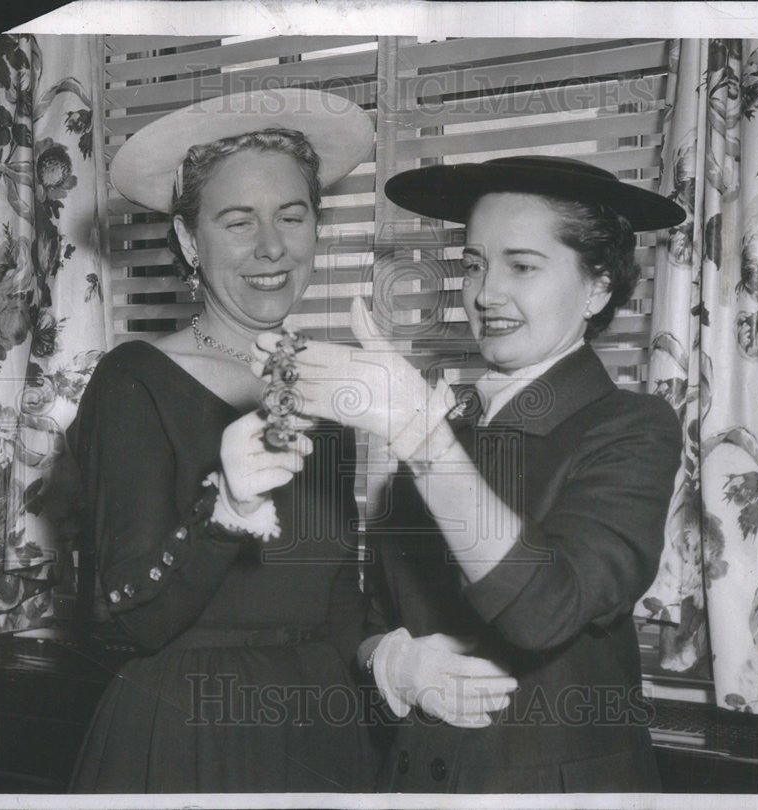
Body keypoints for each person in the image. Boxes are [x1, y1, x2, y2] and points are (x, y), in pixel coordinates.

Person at [252, 156, 686, 792]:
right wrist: (389, 664)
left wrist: (418, 436)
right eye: (475, 264)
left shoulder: (630, 426)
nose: (485, 294)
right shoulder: (446, 429)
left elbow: (547, 608)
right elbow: (371, 620)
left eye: (523, 266)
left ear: (597, 287)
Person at [67, 89, 377, 792]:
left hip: (319, 730)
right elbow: (135, 619)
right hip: (189, 735)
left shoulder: (324, 383)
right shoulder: (134, 382)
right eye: (238, 222)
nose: (271, 247)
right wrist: (225, 506)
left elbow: (335, 601)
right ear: (187, 242)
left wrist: (391, 658)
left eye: (292, 217)